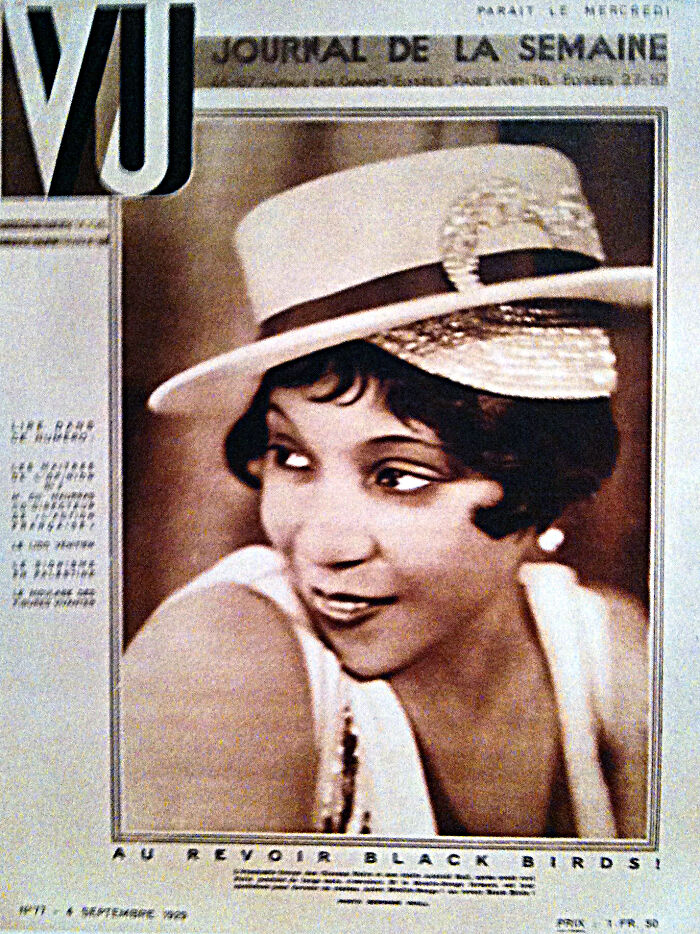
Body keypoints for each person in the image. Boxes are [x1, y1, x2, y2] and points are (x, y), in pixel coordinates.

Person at [121, 144, 652, 839]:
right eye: (291, 456)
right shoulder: (219, 662)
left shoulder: (609, 648)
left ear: (542, 484)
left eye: (398, 476)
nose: (320, 544)